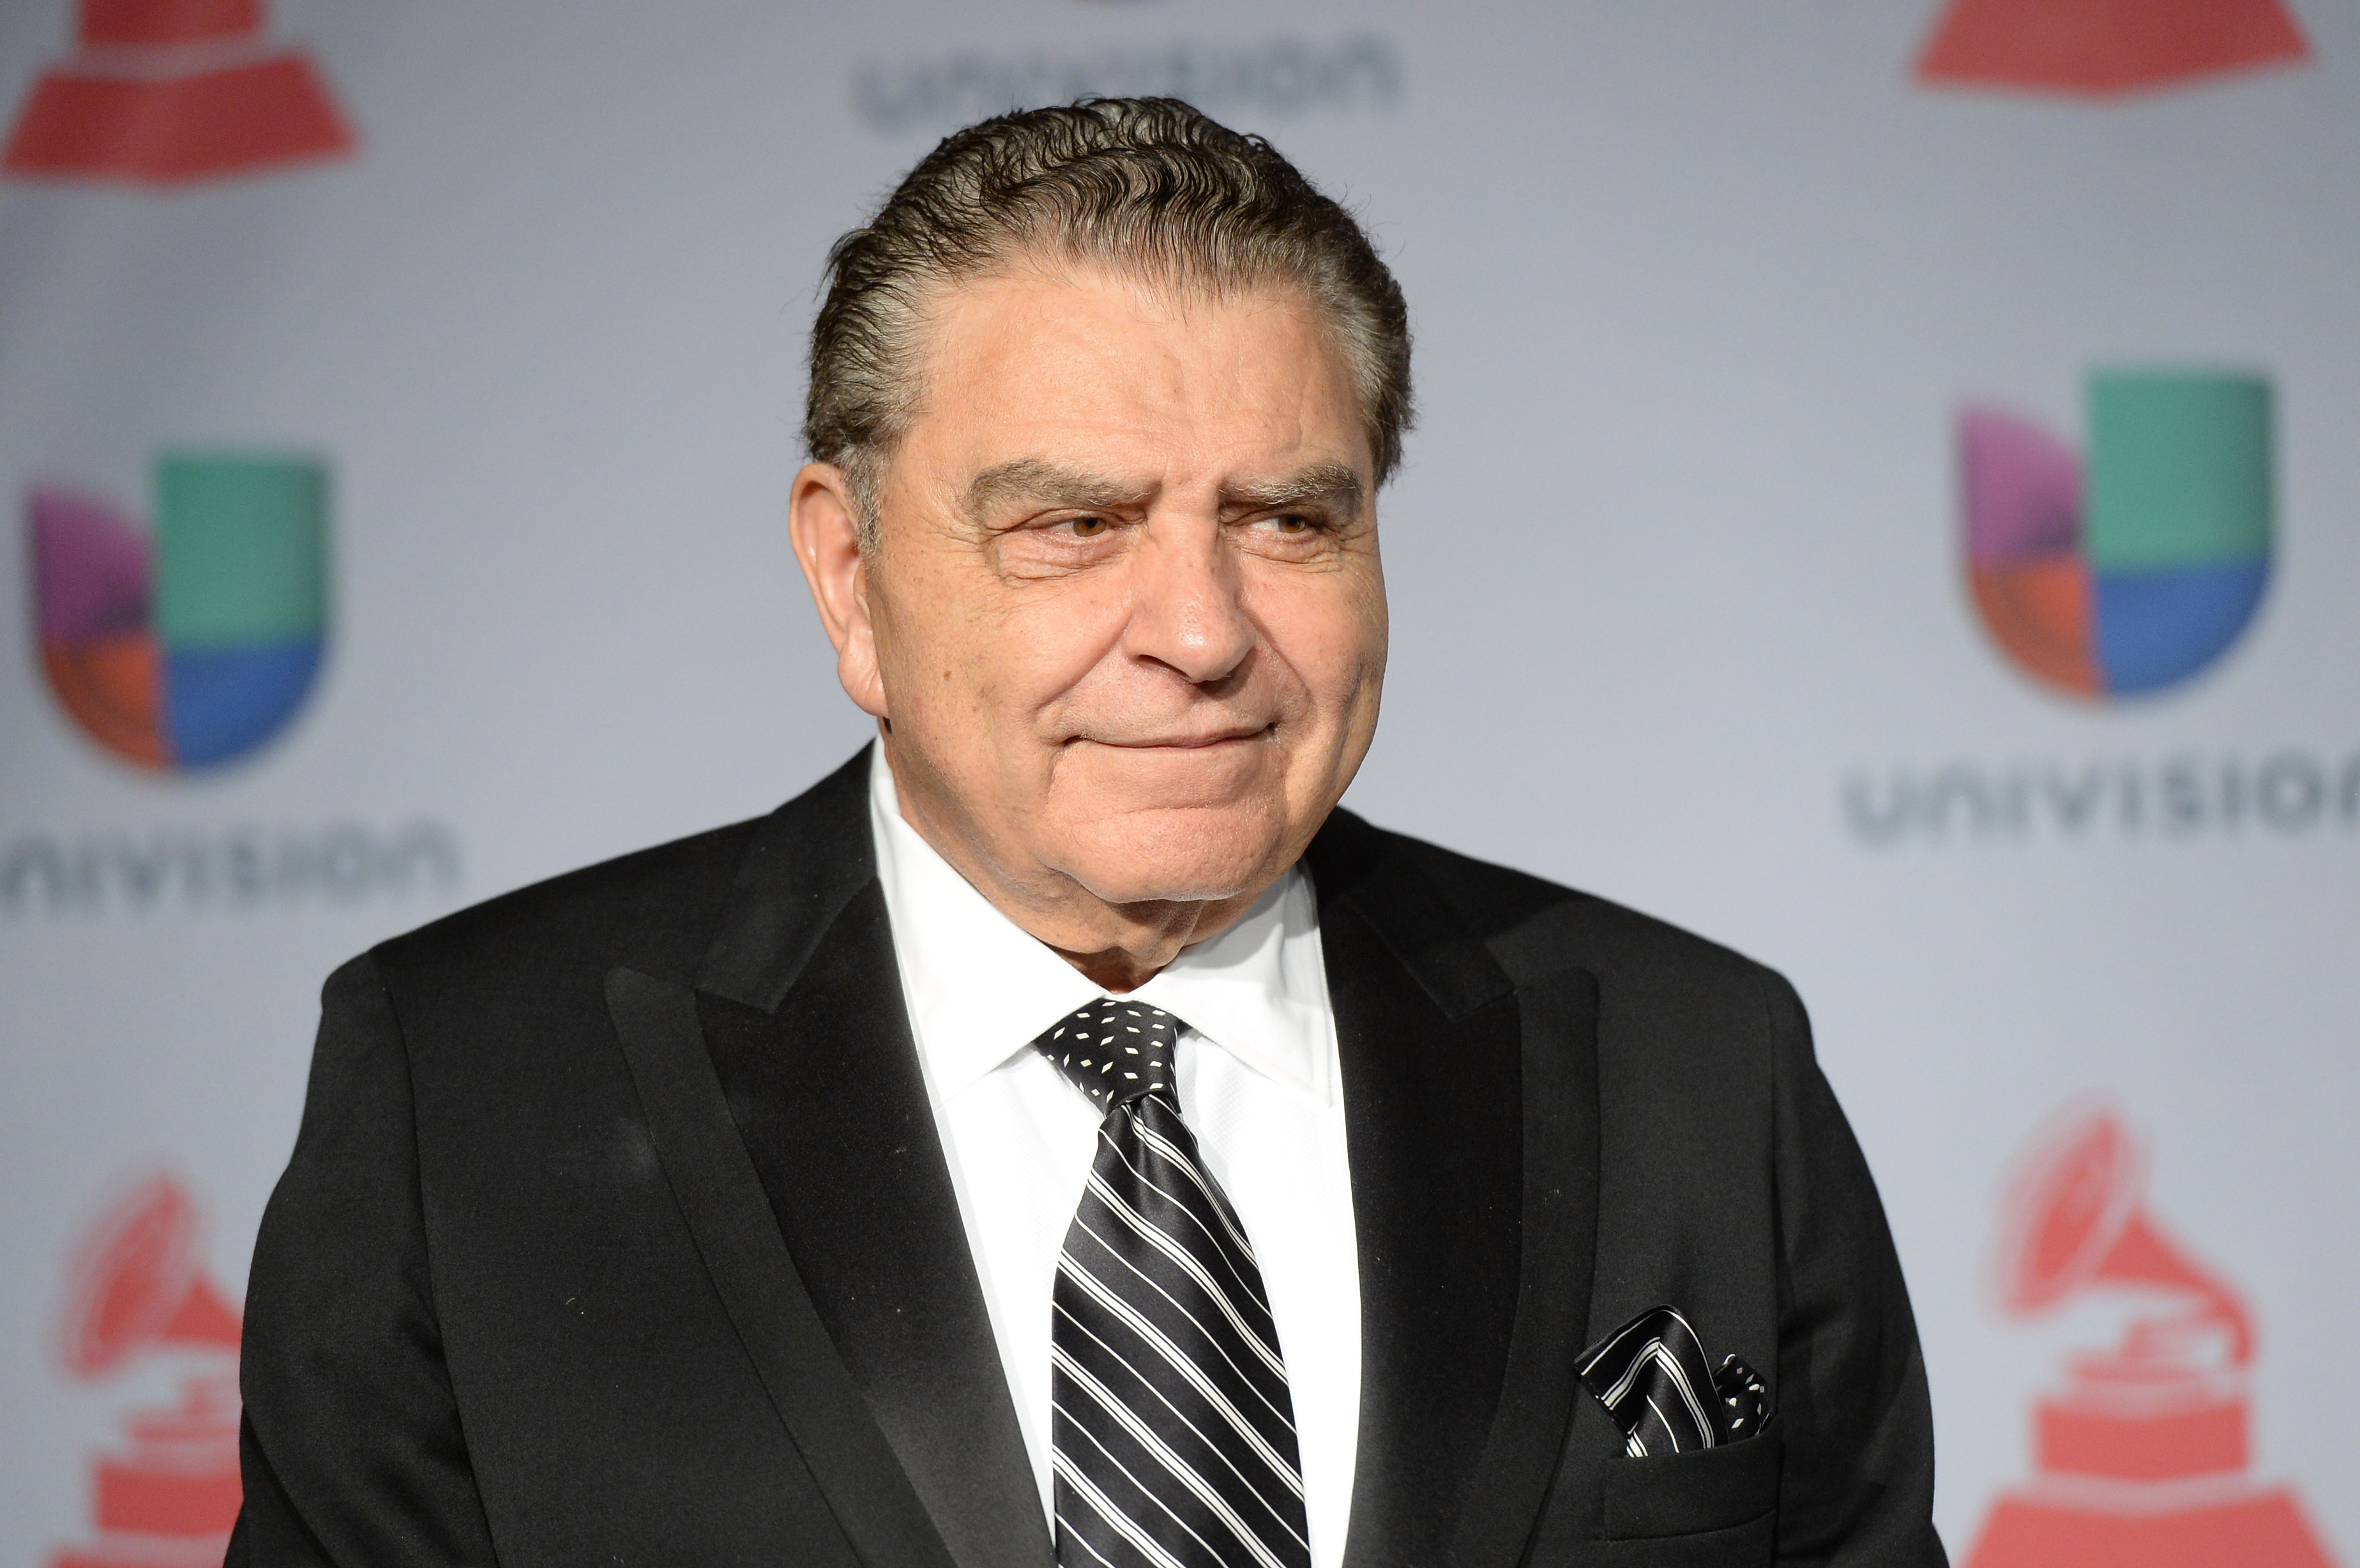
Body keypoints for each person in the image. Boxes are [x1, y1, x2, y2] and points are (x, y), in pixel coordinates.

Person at [230, 98, 1943, 1568]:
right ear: (850, 576)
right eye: (1072, 524)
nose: (1200, 630)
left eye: (1287, 518)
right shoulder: (464, 1094)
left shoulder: (1698, 1072)